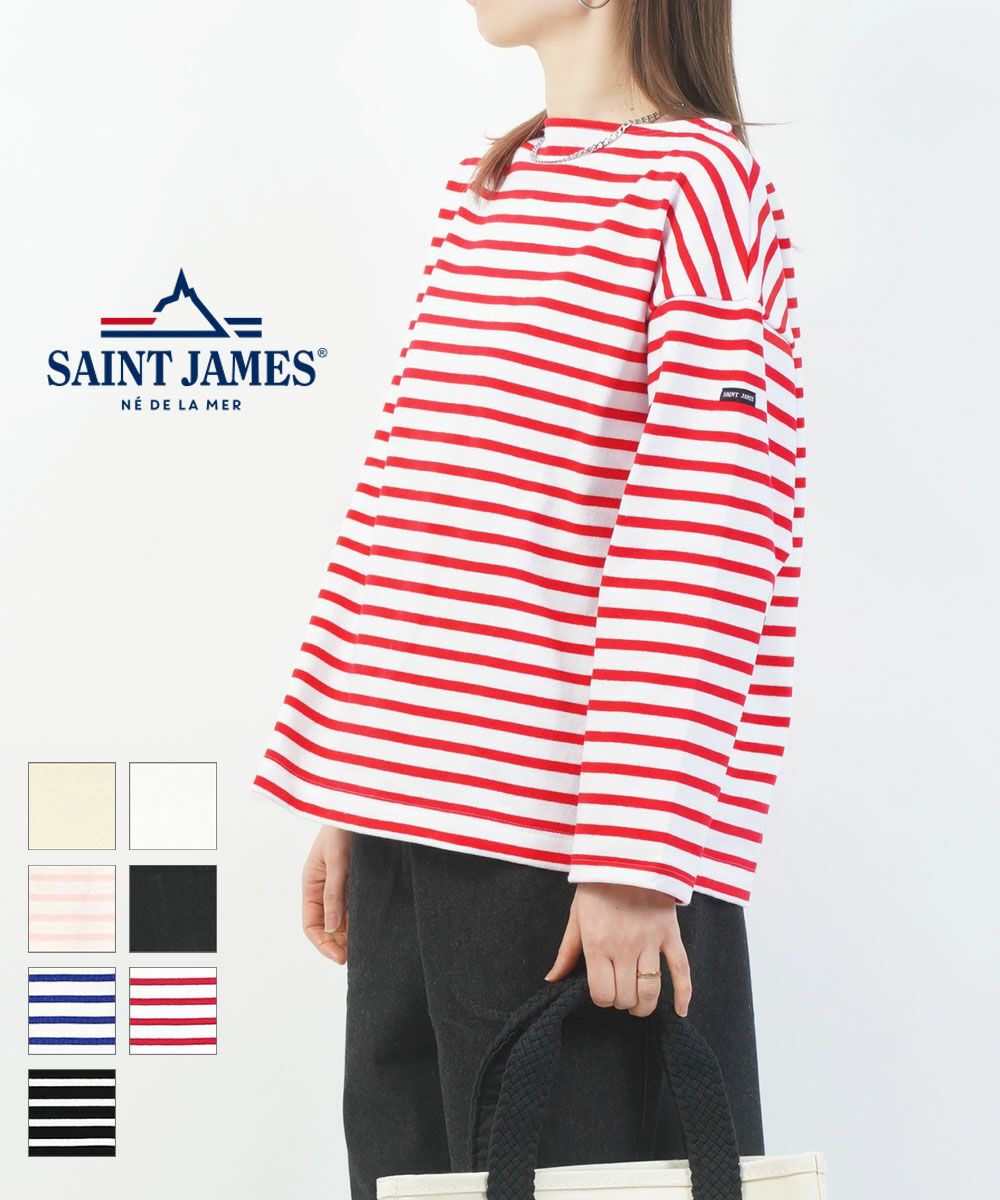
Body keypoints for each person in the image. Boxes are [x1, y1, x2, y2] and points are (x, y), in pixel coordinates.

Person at [252, 2, 805, 1196]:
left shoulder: (699, 185)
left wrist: (637, 854)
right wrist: (348, 782)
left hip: (565, 849)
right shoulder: (489, 186)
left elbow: (707, 520)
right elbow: (408, 490)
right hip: (411, 822)